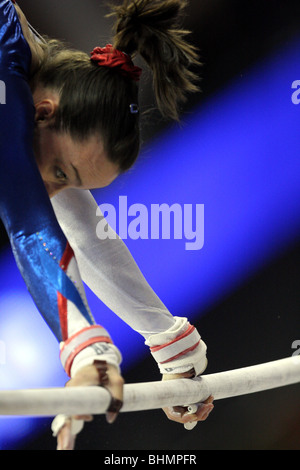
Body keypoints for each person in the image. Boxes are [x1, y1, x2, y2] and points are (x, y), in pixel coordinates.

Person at [0, 0, 214, 450]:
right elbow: (28, 221)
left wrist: (167, 340)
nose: (53, 190)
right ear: (41, 112)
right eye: (60, 172)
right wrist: (86, 350)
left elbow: (81, 225)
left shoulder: (31, 70)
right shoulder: (6, 88)